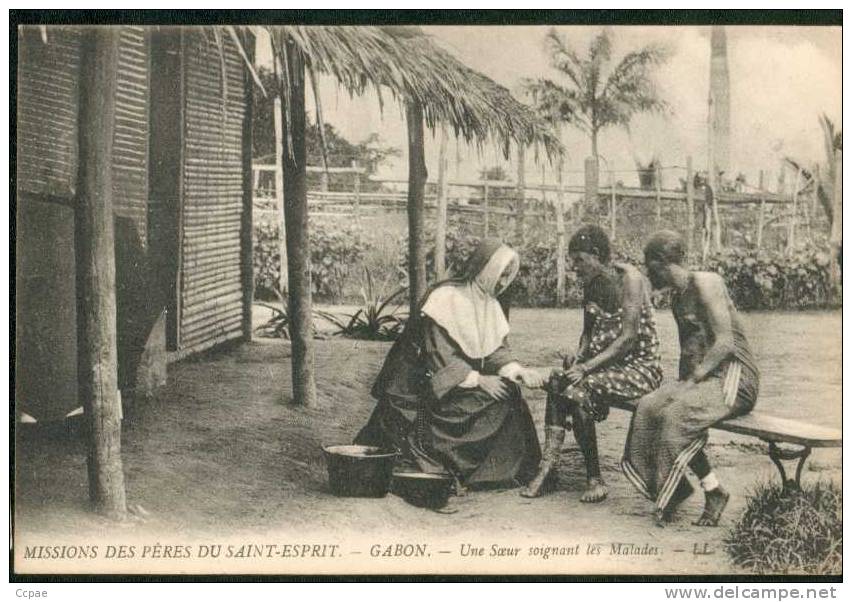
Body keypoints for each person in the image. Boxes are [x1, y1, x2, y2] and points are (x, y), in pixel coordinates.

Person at [355, 238, 546, 490]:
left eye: (507, 277)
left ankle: (495, 471)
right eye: (500, 275)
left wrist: (517, 371)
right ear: (486, 269)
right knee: (488, 399)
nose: (502, 283)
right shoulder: (445, 298)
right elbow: (438, 356)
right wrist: (479, 380)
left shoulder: (489, 303)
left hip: (458, 378)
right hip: (424, 385)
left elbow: (495, 350)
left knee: (510, 394)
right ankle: (453, 465)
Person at [622, 230, 759, 527]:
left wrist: (691, 384)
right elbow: (690, 354)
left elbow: (725, 344)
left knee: (676, 415)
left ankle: (710, 493)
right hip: (707, 377)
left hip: (735, 376)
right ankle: (681, 488)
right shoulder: (677, 298)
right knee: (648, 408)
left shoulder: (706, 282)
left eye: (649, 266)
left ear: (660, 262)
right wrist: (681, 387)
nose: (648, 273)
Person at [522, 225, 663, 502]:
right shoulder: (591, 284)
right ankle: (549, 466)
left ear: (597, 255)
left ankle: (595, 478)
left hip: (639, 369)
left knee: (579, 388)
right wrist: (579, 357)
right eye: (572, 261)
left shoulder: (630, 280)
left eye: (579, 260)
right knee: (558, 381)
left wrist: (585, 368)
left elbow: (627, 339)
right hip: (606, 367)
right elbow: (587, 334)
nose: (575, 268)